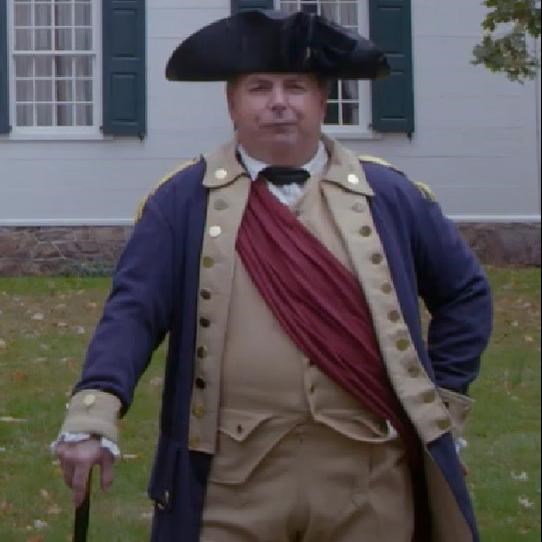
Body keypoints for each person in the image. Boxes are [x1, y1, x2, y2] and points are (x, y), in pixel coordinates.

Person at [53, 9, 492, 542]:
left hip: (370, 474)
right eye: (260, 88)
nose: (279, 102)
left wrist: (441, 403)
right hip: (232, 482)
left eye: (296, 86)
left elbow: (465, 294)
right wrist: (94, 411)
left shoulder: (392, 196)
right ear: (232, 103)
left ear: (322, 100)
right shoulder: (182, 201)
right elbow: (134, 313)